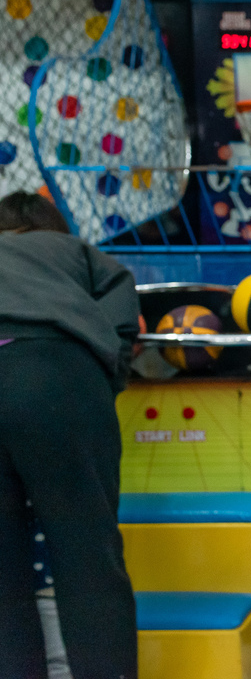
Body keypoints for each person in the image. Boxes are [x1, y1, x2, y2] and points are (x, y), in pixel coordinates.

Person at [0, 191, 140, 679]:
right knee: (87, 556)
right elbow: (123, 314)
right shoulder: (77, 252)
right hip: (53, 372)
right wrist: (101, 380)